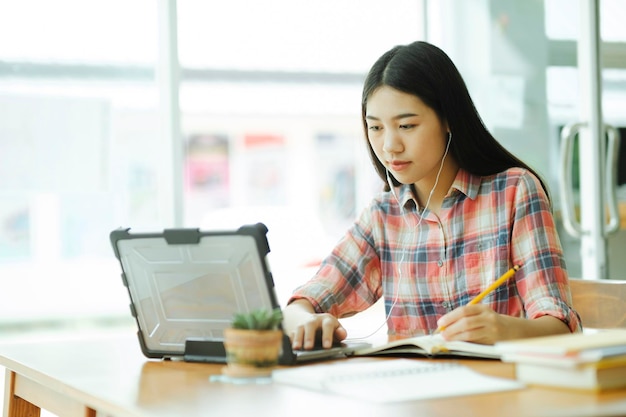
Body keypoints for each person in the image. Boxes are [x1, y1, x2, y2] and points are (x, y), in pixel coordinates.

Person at [283, 40, 581, 351]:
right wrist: (305, 321)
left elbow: (560, 328)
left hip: (500, 391)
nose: (389, 146)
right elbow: (304, 302)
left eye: (406, 125)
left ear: (448, 118)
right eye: (376, 128)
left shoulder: (515, 192)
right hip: (414, 392)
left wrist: (503, 328)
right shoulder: (384, 215)